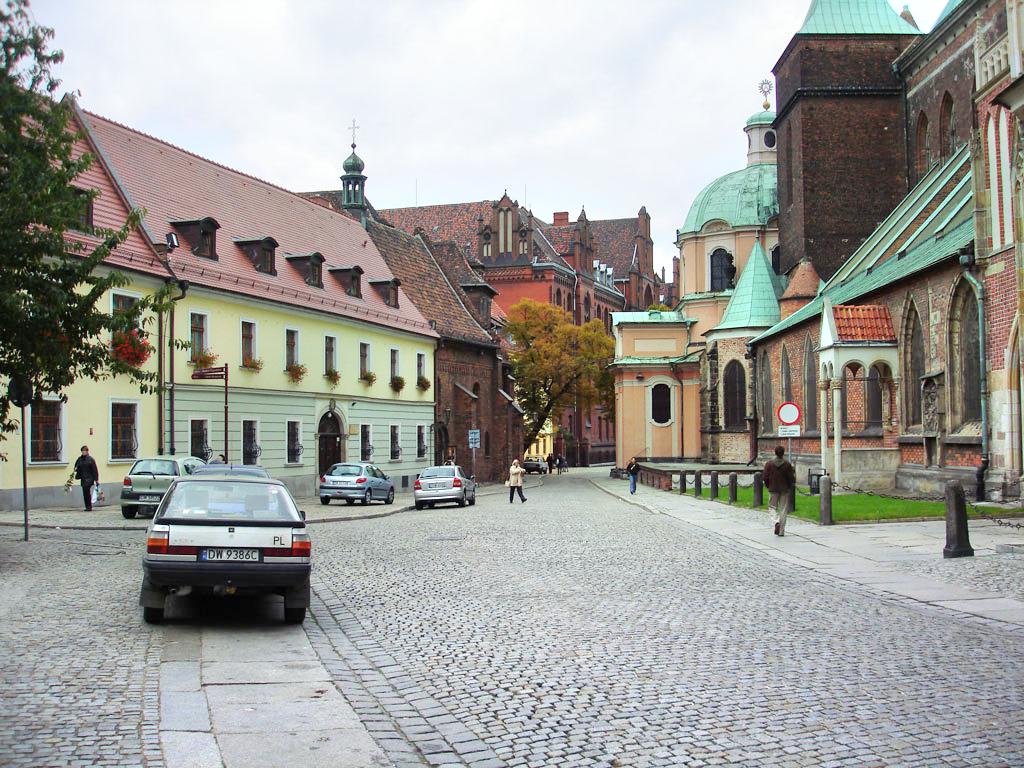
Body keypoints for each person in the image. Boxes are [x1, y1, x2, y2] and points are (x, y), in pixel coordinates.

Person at [763, 445, 796, 536]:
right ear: (783, 453)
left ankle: (776, 520)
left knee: (772, 507)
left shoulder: (769, 464)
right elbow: (791, 478)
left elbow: (765, 477)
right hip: (784, 490)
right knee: (783, 509)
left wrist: (768, 486)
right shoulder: (787, 464)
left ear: (775, 452)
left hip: (773, 489)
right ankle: (781, 531)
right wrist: (789, 487)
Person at [73, 445, 100, 511]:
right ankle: (87, 506)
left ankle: (89, 507)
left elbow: (94, 470)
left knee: (86, 491)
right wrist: (76, 469)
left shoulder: (91, 459)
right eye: (82, 451)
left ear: (87, 451)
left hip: (89, 478)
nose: (83, 452)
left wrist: (96, 479)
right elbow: (76, 467)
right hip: (83, 478)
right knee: (85, 492)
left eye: (84, 451)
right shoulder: (79, 459)